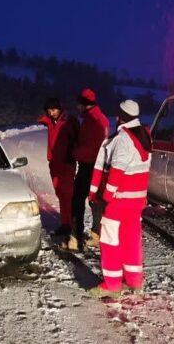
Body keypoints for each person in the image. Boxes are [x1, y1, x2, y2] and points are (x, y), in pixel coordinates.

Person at [88, 100, 151, 298]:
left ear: (121, 116)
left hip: (119, 201)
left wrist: (106, 196)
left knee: (110, 240)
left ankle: (113, 284)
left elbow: (117, 171)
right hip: (136, 201)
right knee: (131, 240)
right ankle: (134, 280)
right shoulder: (145, 135)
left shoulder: (123, 138)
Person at [64, 88, 109, 251]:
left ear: (84, 104)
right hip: (100, 166)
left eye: (79, 105)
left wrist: (73, 152)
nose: (77, 107)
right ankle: (97, 234)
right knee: (96, 201)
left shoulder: (90, 121)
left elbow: (88, 149)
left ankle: (76, 238)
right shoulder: (103, 119)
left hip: (88, 165)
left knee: (77, 201)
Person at [37, 97, 79, 238]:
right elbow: (40, 119)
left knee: (67, 195)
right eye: (49, 110)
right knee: (60, 194)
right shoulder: (50, 121)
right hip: (54, 163)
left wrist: (71, 155)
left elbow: (76, 139)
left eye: (54, 110)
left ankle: (70, 225)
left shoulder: (68, 121)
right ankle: (65, 223)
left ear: (60, 109)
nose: (51, 113)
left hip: (66, 163)